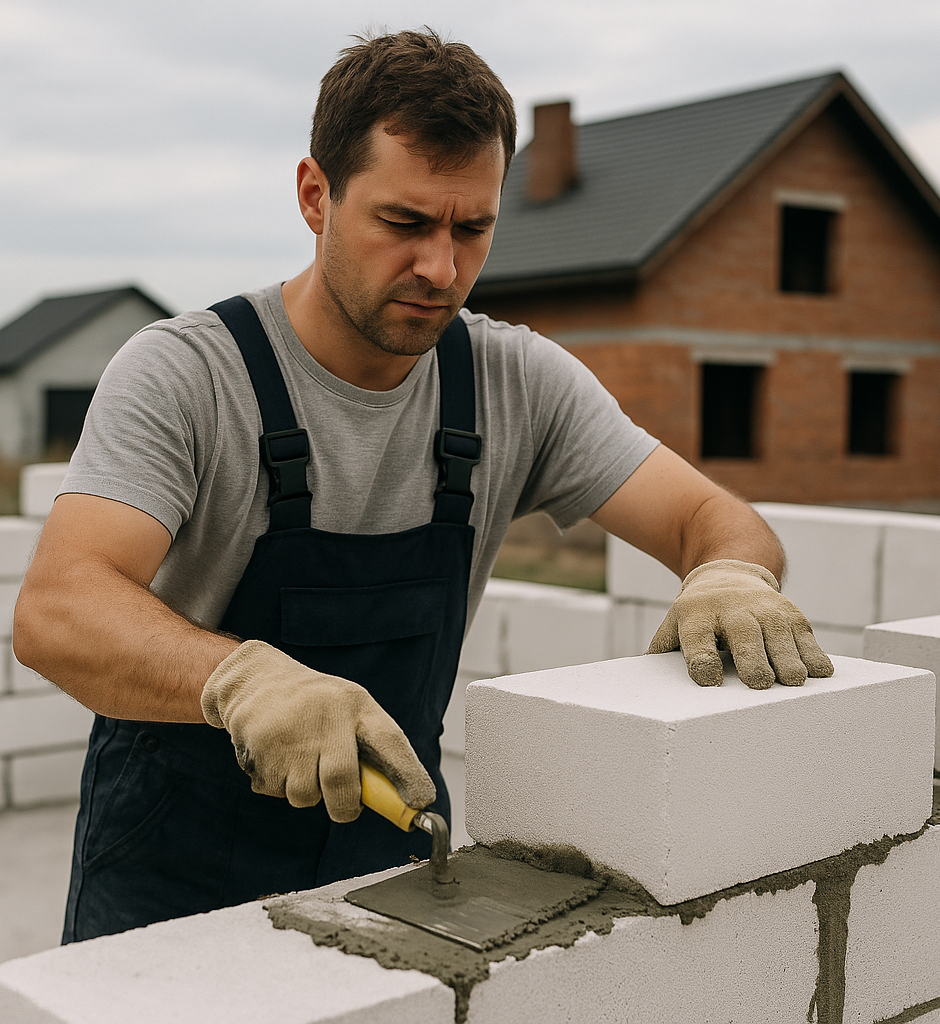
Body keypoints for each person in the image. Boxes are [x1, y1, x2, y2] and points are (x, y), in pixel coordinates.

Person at [13, 29, 832, 944]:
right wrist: (239, 679)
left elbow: (712, 519)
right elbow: (57, 612)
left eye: (471, 229)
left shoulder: (513, 382)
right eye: (404, 224)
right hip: (170, 873)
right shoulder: (186, 375)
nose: (440, 268)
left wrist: (730, 575)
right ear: (315, 197)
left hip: (393, 856)